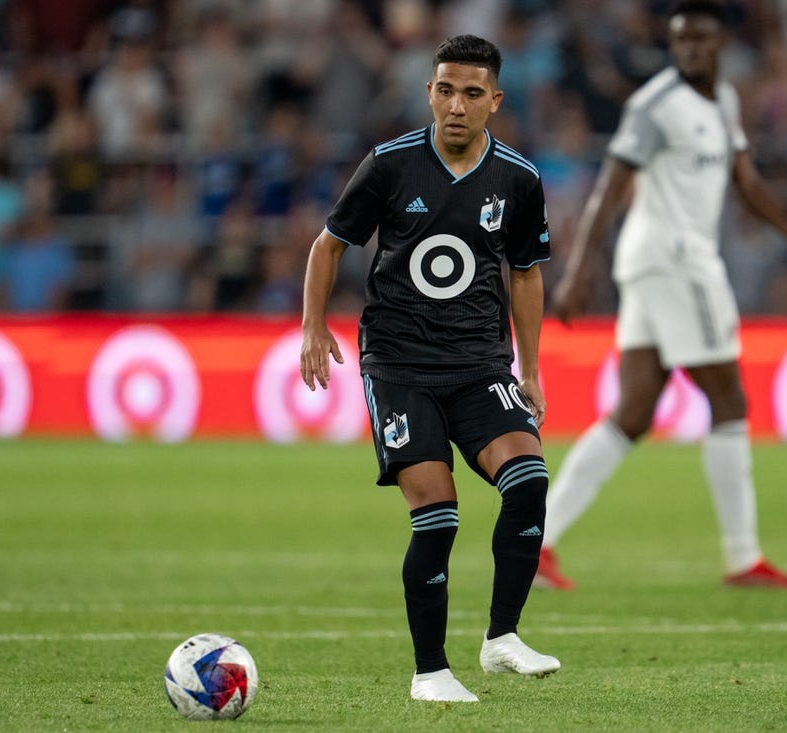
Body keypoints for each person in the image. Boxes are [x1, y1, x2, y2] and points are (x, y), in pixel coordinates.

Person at [300, 35, 559, 703]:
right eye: (445, 89)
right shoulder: (389, 165)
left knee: (529, 479)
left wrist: (528, 369)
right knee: (437, 514)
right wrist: (312, 324)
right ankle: (429, 672)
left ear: (495, 102)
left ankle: (502, 637)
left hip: (479, 362)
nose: (456, 104)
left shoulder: (519, 179)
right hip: (399, 363)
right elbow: (329, 246)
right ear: (429, 93)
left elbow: (525, 275)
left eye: (472, 93)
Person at [536, 0, 787, 592]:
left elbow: (745, 179)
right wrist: (576, 269)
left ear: (721, 45)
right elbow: (609, 188)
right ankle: (744, 559)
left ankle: (535, 545)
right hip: (675, 261)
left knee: (634, 413)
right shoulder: (655, 106)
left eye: (700, 41)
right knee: (730, 400)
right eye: (680, 41)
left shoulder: (723, 101)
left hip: (662, 263)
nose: (690, 50)